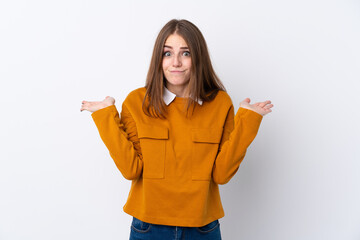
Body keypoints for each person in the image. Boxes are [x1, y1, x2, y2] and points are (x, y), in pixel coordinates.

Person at [80, 19, 273, 240]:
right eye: (168, 53)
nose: (176, 63)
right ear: (158, 59)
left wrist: (249, 120)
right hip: (148, 227)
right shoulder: (136, 102)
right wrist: (105, 115)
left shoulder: (220, 103)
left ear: (198, 58)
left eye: (186, 53)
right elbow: (130, 170)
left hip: (202, 228)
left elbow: (222, 174)